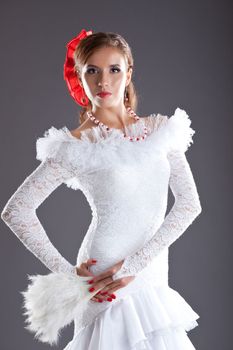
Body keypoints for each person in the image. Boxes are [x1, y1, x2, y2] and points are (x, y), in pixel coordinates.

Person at [1, 29, 202, 349]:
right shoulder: (75, 146)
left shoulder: (161, 131)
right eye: (92, 70)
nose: (103, 82)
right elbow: (16, 210)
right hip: (104, 279)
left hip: (149, 274)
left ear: (129, 72)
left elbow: (190, 204)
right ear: (79, 77)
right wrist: (70, 275)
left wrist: (136, 263)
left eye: (113, 70)